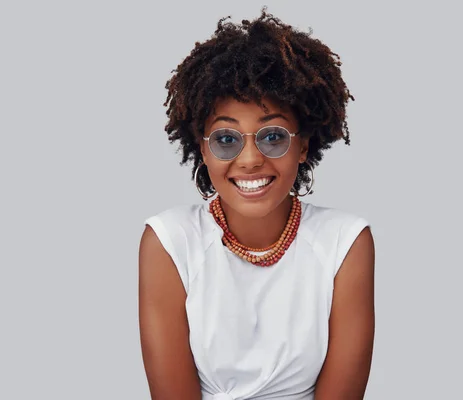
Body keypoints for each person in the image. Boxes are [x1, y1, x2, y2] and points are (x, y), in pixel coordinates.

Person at [138, 8, 375, 400]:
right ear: (203, 150)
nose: (249, 159)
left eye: (273, 136)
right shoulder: (169, 241)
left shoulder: (344, 243)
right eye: (227, 139)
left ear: (302, 146)